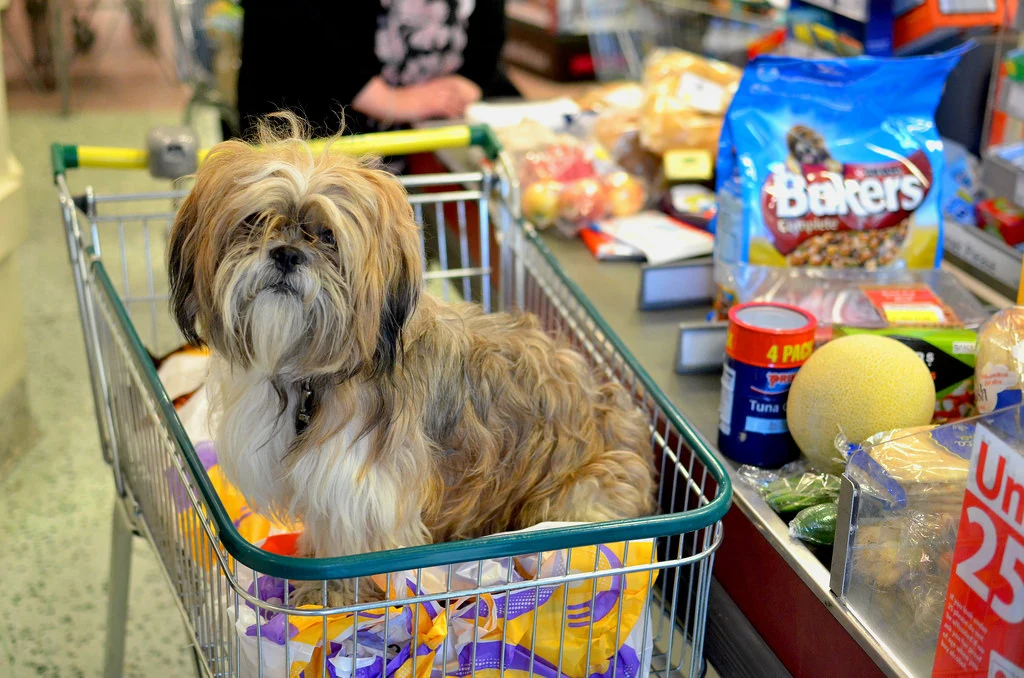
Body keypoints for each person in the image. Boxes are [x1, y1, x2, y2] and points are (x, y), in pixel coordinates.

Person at [236, 0, 519, 139]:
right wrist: (387, 100)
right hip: (313, 140)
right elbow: (290, 22)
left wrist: (472, 80)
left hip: (422, 140)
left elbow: (488, 31)